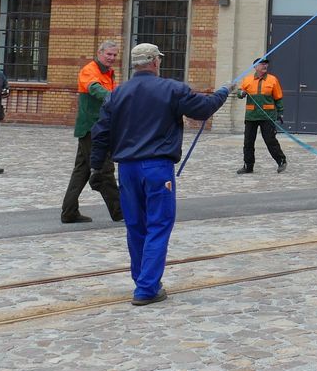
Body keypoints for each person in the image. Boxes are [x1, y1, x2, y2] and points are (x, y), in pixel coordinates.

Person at [90, 43, 228, 306]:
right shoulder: (171, 89)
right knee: (158, 224)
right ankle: (147, 288)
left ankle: (142, 280)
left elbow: (101, 133)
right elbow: (203, 108)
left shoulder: (117, 93)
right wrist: (224, 91)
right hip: (157, 168)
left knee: (135, 226)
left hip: (127, 169)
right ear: (155, 62)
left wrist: (96, 167)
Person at [62, 40, 123, 224]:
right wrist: (115, 99)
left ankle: (69, 212)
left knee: (81, 171)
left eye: (114, 55)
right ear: (99, 53)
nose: (112, 58)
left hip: (100, 128)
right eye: (109, 54)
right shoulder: (89, 70)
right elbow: (95, 89)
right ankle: (120, 212)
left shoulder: (109, 73)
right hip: (92, 129)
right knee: (105, 170)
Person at [236, 58, 287, 174]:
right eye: (262, 64)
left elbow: (278, 98)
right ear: (255, 67)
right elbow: (239, 93)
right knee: (248, 142)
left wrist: (280, 113)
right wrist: (241, 93)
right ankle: (248, 166)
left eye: (266, 64)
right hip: (251, 116)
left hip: (267, 116)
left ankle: (281, 161)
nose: (265, 66)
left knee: (270, 141)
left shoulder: (273, 80)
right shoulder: (247, 80)